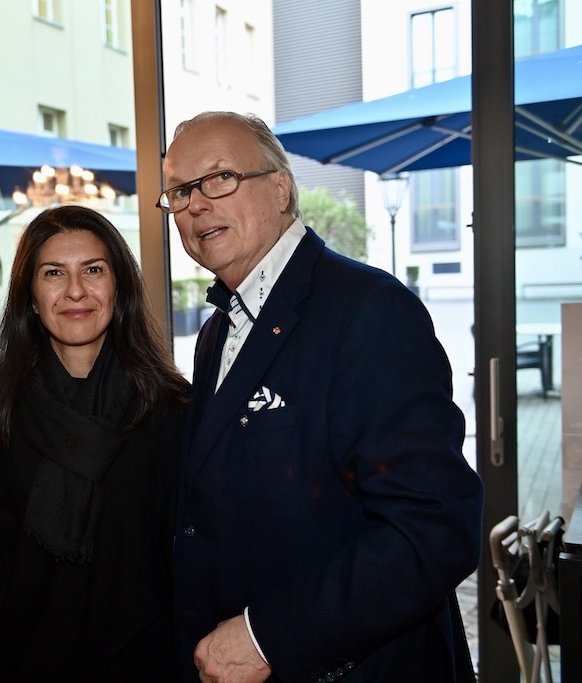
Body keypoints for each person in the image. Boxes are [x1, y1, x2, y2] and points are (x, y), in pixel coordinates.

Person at [159, 111, 483, 683]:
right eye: (179, 191)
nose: (195, 204)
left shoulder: (370, 311)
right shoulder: (216, 331)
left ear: (281, 188)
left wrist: (270, 634)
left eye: (218, 178)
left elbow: (433, 529)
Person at [0, 205, 190, 682]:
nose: (76, 291)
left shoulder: (171, 412)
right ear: (30, 295)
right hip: (16, 667)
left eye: (93, 270)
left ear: (119, 285)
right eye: (53, 273)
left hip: (147, 667)